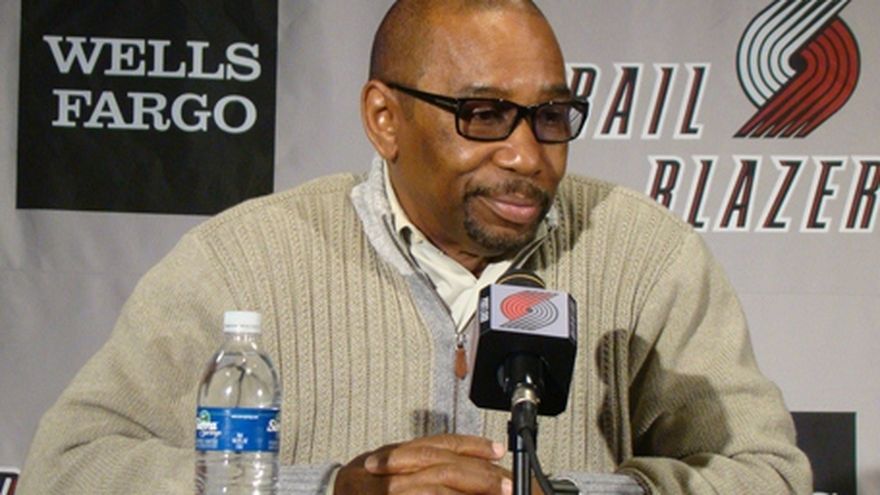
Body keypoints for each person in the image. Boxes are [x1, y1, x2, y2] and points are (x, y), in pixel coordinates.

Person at [19, 0, 812, 493]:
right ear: (384, 119)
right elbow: (67, 466)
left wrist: (565, 494)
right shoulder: (244, 260)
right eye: (483, 115)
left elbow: (768, 473)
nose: (527, 154)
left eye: (550, 116)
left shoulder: (648, 256)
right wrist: (327, 490)